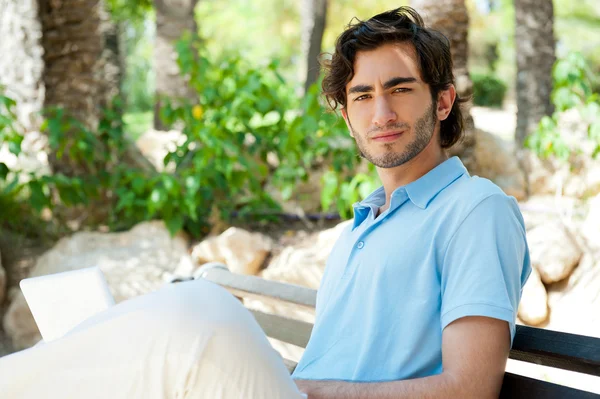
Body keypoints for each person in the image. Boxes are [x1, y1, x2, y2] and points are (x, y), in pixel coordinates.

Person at [291, 6, 531, 399]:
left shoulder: (476, 210)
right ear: (349, 120)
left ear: (442, 102)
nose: (381, 114)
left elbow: (469, 389)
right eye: (363, 96)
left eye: (400, 89)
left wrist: (308, 391)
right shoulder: (360, 227)